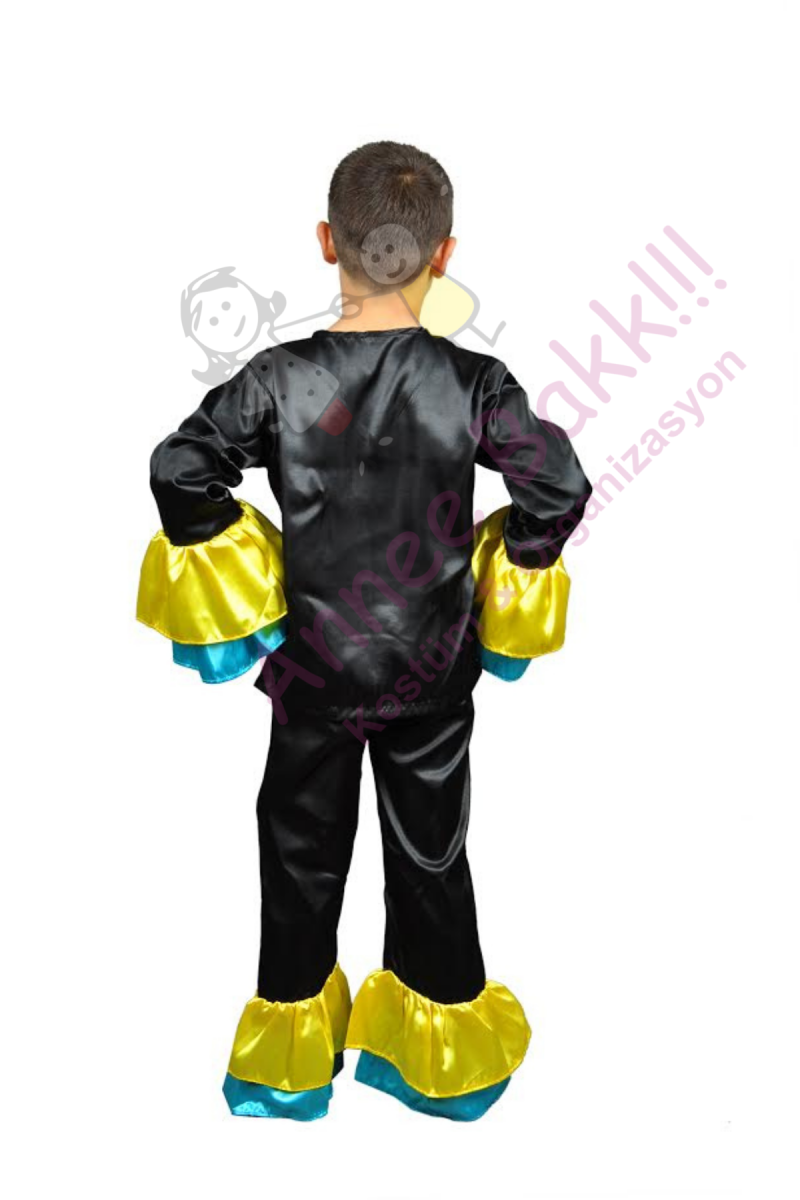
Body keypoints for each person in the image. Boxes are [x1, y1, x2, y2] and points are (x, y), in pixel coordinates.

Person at [137, 140, 592, 1122]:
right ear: (445, 252)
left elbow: (181, 468)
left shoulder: (278, 377)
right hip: (431, 672)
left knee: (298, 856)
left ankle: (288, 1073)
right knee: (431, 855)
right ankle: (441, 1068)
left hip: (312, 671)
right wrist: (505, 561)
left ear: (324, 241)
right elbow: (556, 488)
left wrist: (248, 566)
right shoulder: (475, 382)